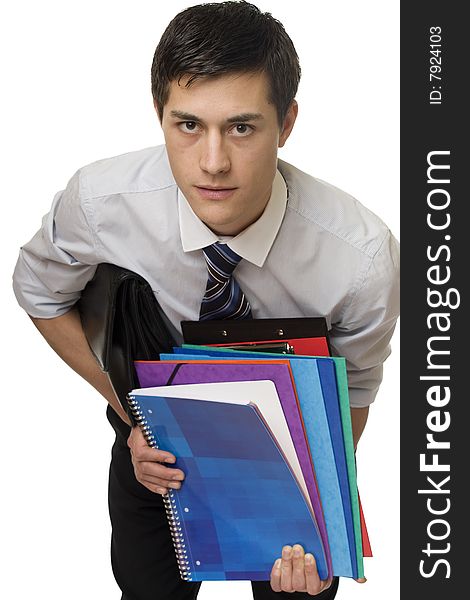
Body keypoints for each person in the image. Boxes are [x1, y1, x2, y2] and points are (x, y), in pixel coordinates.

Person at [12, 1, 399, 598]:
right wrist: (131, 418)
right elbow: (40, 292)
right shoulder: (101, 201)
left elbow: (357, 389)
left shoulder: (361, 255)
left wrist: (318, 515)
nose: (213, 163)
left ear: (287, 122)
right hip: (153, 437)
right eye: (188, 125)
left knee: (301, 593)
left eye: (241, 127)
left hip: (289, 461)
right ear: (159, 115)